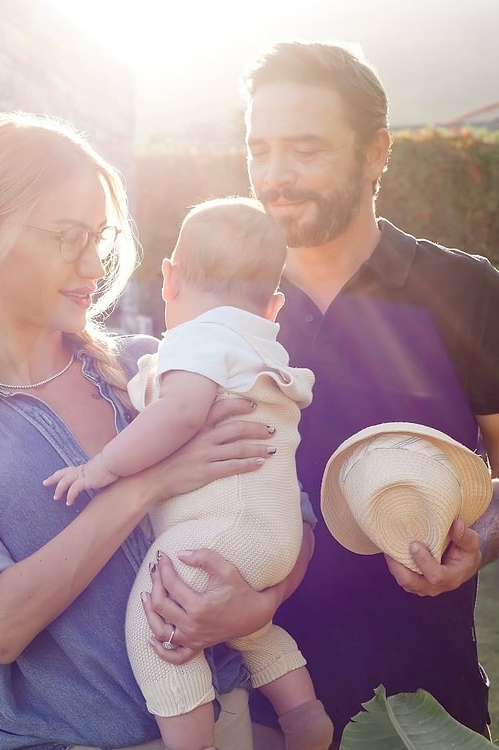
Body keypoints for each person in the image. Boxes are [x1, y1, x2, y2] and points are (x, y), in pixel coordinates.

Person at [0, 112, 306, 750]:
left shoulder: (163, 368)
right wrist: (146, 484)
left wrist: (258, 606)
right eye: (68, 237)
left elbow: (287, 508)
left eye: (100, 237)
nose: (93, 263)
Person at [236, 40, 499, 748]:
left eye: (306, 149)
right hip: (253, 707)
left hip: (424, 707)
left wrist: (484, 541)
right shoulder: (229, 299)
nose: (275, 176)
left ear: (376, 151)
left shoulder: (465, 289)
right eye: (259, 149)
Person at [44, 196, 333, 750]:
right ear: (273, 306)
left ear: (169, 280)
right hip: (272, 534)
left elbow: (177, 415)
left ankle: (191, 742)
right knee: (249, 628)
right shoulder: (257, 349)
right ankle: (303, 712)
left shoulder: (199, 340)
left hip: (219, 528)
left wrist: (101, 465)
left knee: (157, 620)